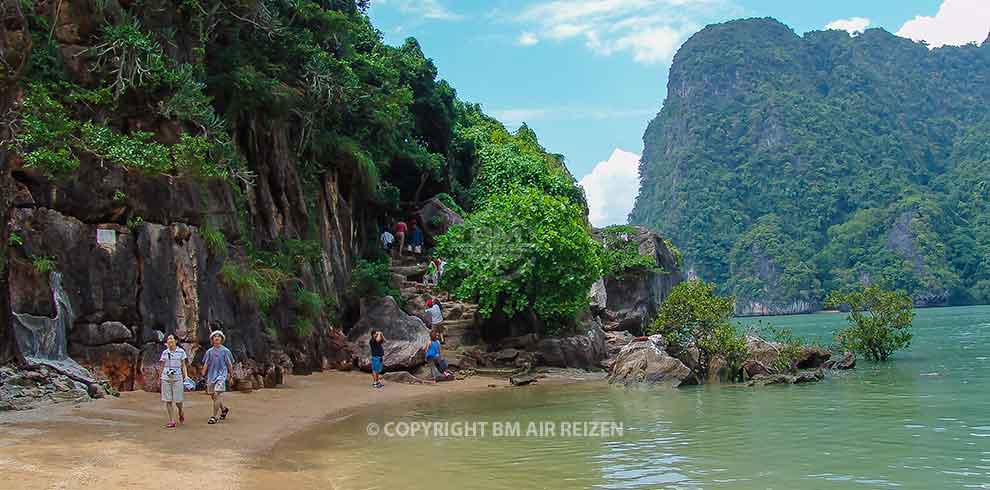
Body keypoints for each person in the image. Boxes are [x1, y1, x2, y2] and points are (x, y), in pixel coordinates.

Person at [201, 331, 234, 425]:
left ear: (222, 339)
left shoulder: (226, 351)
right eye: (215, 336)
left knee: (216, 394)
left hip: (221, 375)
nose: (217, 338)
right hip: (211, 376)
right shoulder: (209, 352)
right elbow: (206, 363)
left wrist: (231, 376)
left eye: (219, 336)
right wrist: (203, 373)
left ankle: (214, 417)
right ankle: (224, 409)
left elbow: (229, 364)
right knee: (213, 396)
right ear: (212, 340)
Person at [160, 334, 188, 429]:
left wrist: (186, 376)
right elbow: (162, 365)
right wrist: (161, 375)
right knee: (168, 400)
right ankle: (171, 420)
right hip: (166, 377)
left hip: (177, 377)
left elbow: (183, 365)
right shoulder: (164, 352)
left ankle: (180, 411)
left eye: (171, 338)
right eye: (168, 339)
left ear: (176, 340)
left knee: (178, 400)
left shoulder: (181, 352)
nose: (169, 340)